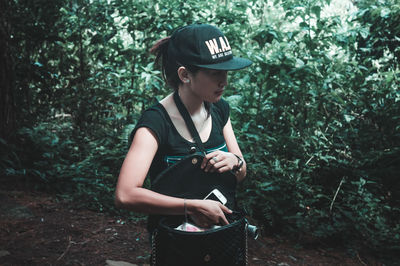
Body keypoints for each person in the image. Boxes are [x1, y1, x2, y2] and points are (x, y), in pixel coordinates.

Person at [115, 23, 252, 233]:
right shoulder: (156, 123)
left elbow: (241, 173)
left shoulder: (220, 110)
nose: (223, 81)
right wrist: (192, 206)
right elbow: (126, 194)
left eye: (226, 71)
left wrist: (235, 162)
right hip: (175, 242)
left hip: (221, 236)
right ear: (185, 75)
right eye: (215, 73)